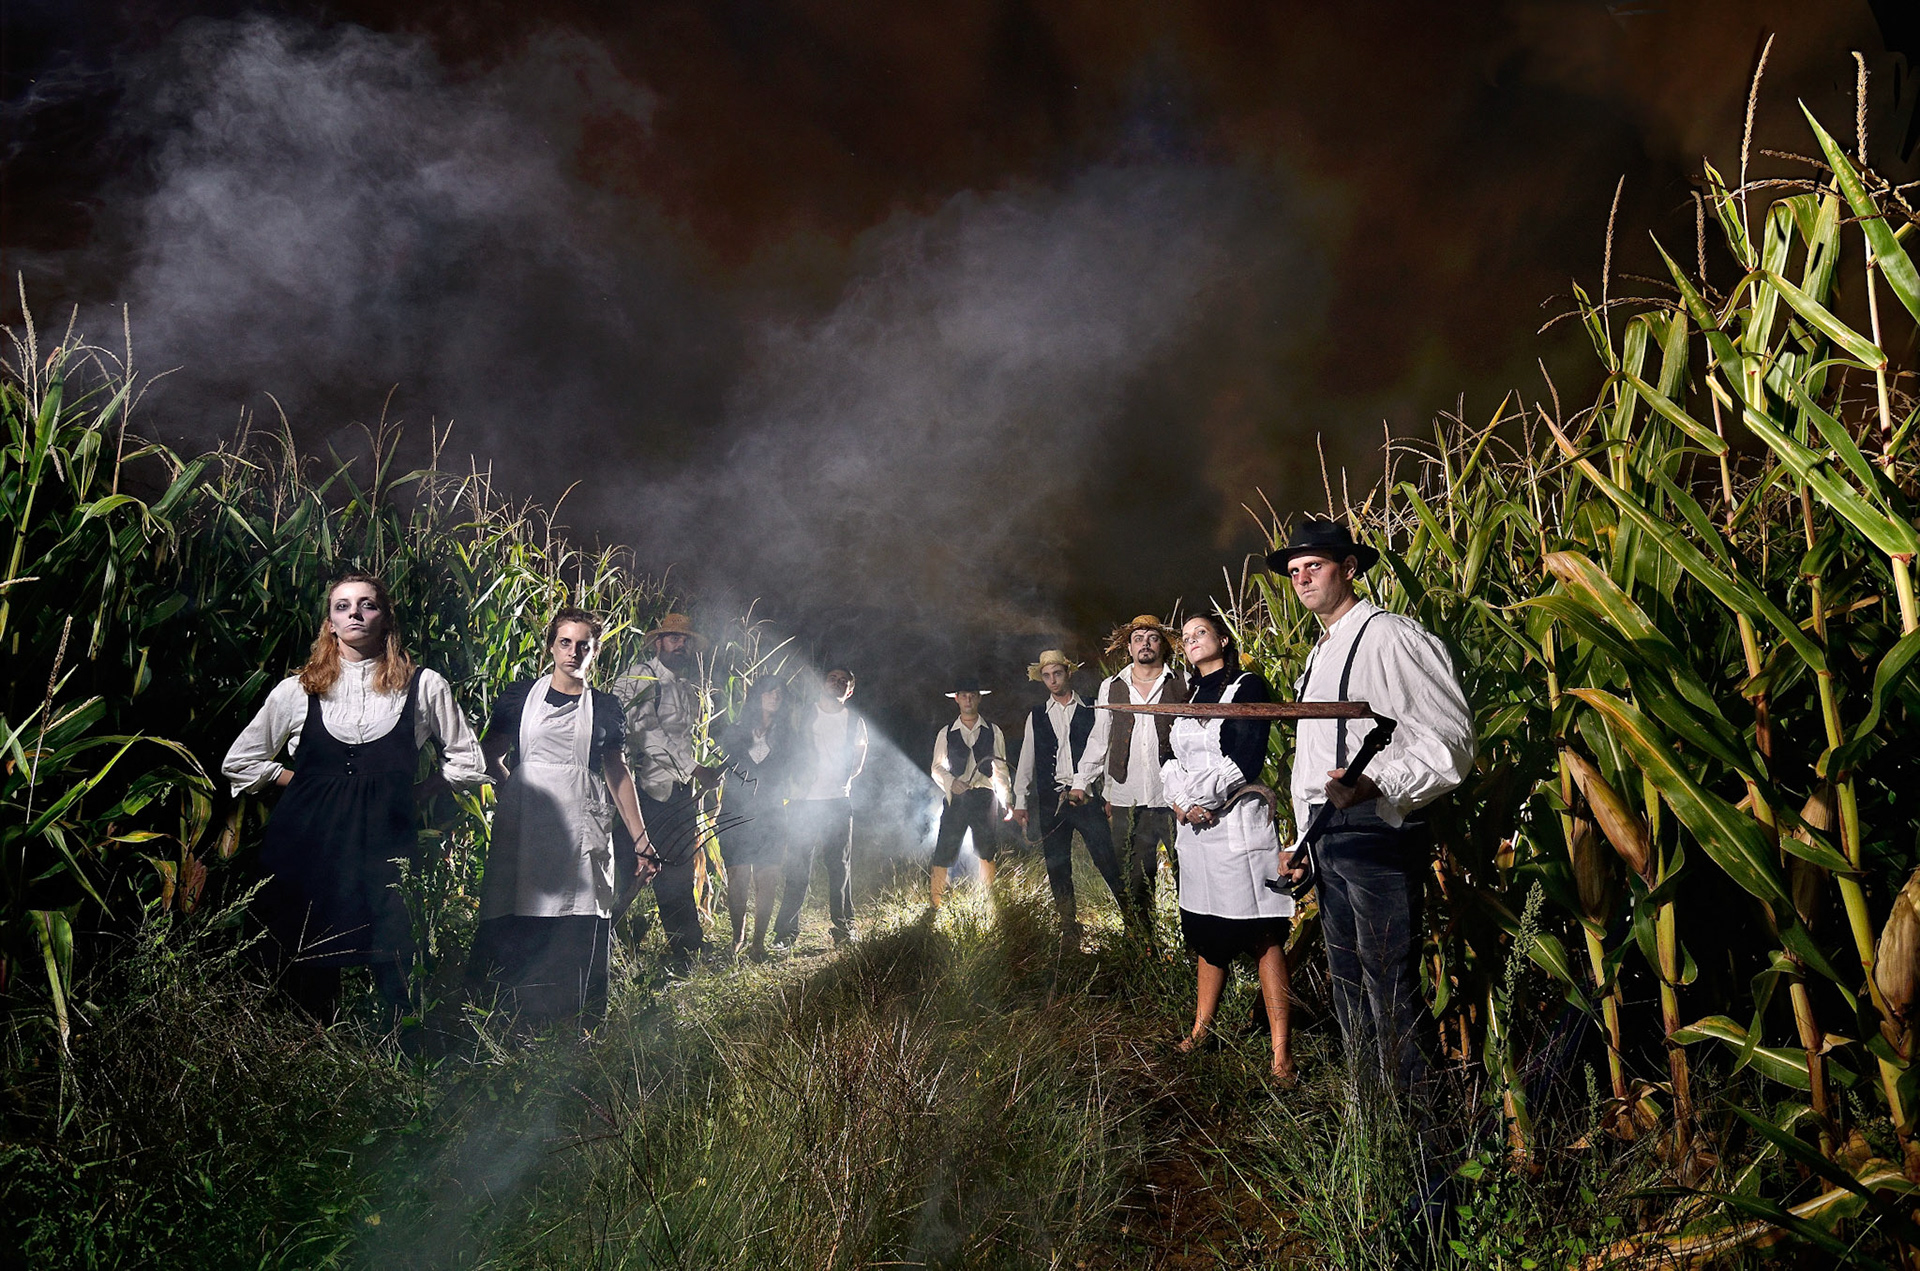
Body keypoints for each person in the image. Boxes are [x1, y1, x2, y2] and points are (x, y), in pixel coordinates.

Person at [222, 572, 487, 1022]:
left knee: (393, 955)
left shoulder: (422, 686)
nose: (354, 614)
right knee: (305, 955)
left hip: (385, 844)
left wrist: (420, 791)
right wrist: (303, 782)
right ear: (329, 624)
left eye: (367, 605)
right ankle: (307, 1056)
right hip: (307, 842)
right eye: (342, 607)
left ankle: (400, 1060)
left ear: (385, 618)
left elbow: (468, 761)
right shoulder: (299, 688)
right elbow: (240, 762)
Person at [1271, 517, 1474, 1093]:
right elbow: (1311, 760)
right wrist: (1300, 839)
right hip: (1328, 834)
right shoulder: (1320, 654)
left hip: (1376, 832)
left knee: (1390, 980)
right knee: (1348, 982)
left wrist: (1376, 784)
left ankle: (1419, 1138)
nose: (1302, 578)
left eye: (1315, 566)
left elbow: (1451, 740)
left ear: (1350, 569)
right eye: (1294, 572)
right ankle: (1372, 1118)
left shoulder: (1391, 637)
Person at [469, 608, 655, 1028]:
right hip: (525, 827)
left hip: (581, 826)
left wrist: (642, 841)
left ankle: (574, 1029)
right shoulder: (518, 697)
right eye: (565, 643)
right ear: (551, 646)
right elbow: (489, 755)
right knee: (519, 907)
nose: (573, 652)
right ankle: (510, 1024)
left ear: (595, 651)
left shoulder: (605, 707)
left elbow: (617, 772)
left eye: (583, 645)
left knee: (580, 915)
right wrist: (516, 787)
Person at [1161, 612, 1296, 1081]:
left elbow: (1247, 754)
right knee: (1209, 932)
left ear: (1221, 639)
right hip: (1197, 837)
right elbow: (1169, 757)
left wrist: (1199, 799)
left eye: (1201, 632)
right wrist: (1180, 802)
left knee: (1263, 934)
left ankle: (1281, 1054)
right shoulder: (1187, 696)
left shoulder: (1247, 687)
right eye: (1187, 636)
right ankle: (1201, 1031)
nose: (1193, 640)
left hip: (1239, 826)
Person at [609, 612, 720, 973]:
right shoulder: (639, 678)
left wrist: (693, 778)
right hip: (639, 795)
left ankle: (685, 951)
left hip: (676, 795)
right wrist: (695, 769)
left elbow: (680, 740)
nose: (681, 645)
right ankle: (605, 947)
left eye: (685, 640)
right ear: (658, 643)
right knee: (627, 874)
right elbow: (645, 734)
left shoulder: (686, 690)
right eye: (674, 639)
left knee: (678, 872)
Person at [1070, 616, 1188, 932]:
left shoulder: (1182, 682)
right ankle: (1140, 944)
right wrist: (1082, 781)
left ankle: (1194, 948)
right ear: (1129, 647)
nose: (1145, 643)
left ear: (1162, 644)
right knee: (1135, 876)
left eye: (1152, 637)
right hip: (1127, 796)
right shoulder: (1112, 686)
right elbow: (1100, 737)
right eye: (1138, 638)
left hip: (1175, 797)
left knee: (1186, 873)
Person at [1011, 650, 1127, 940]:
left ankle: (1134, 922)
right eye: (1047, 676)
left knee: (1106, 859)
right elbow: (1027, 761)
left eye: (1057, 674)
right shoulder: (1036, 715)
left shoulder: (1091, 707)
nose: (1052, 680)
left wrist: (1110, 793)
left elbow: (1108, 752)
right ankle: (1069, 929)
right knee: (1057, 864)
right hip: (1051, 802)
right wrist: (1021, 802)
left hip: (1086, 797)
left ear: (1068, 673)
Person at [773, 667, 869, 947]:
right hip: (802, 802)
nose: (837, 684)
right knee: (798, 869)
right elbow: (787, 749)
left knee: (839, 867)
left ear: (849, 692)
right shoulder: (802, 714)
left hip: (838, 802)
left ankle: (844, 929)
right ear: (823, 683)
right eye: (833, 679)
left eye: (844, 682)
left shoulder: (855, 721)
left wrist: (844, 780)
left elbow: (860, 757)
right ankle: (786, 935)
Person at [715, 679, 797, 960]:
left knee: (768, 877)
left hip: (771, 813)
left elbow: (790, 768)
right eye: (769, 690)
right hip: (735, 812)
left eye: (780, 692)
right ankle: (737, 936)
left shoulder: (788, 735)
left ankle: (758, 943)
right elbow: (727, 762)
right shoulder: (736, 731)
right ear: (757, 695)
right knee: (738, 877)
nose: (775, 696)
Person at [927, 675, 1011, 910]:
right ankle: (936, 904)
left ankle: (989, 899)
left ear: (979, 698)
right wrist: (951, 782)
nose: (968, 699)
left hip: (985, 797)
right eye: (963, 695)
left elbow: (1000, 769)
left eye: (972, 695)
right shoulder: (946, 732)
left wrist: (1007, 800)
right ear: (956, 699)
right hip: (957, 799)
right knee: (944, 848)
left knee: (987, 849)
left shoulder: (993, 731)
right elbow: (936, 767)